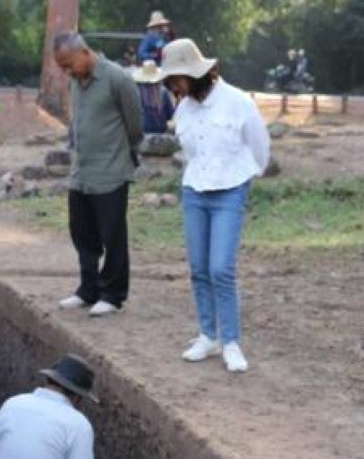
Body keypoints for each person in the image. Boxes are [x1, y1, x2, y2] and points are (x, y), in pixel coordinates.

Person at [160, 38, 271, 374]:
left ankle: (231, 341)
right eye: (171, 81)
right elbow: (189, 151)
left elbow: (260, 146)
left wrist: (245, 177)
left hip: (229, 192)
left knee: (221, 268)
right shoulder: (184, 108)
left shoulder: (237, 102)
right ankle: (207, 335)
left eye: (178, 79)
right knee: (198, 268)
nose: (174, 86)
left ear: (197, 74)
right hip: (195, 190)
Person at [51, 32, 143, 318]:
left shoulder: (118, 79)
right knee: (82, 233)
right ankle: (88, 289)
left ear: (84, 52)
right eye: (62, 68)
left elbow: (135, 126)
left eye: (68, 65)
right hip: (81, 173)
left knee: (112, 235)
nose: (67, 72)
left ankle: (113, 294)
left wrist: (119, 155)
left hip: (111, 172)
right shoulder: (77, 83)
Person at [132, 60, 175, 136]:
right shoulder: (163, 92)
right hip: (156, 132)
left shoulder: (136, 92)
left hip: (147, 133)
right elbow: (170, 115)